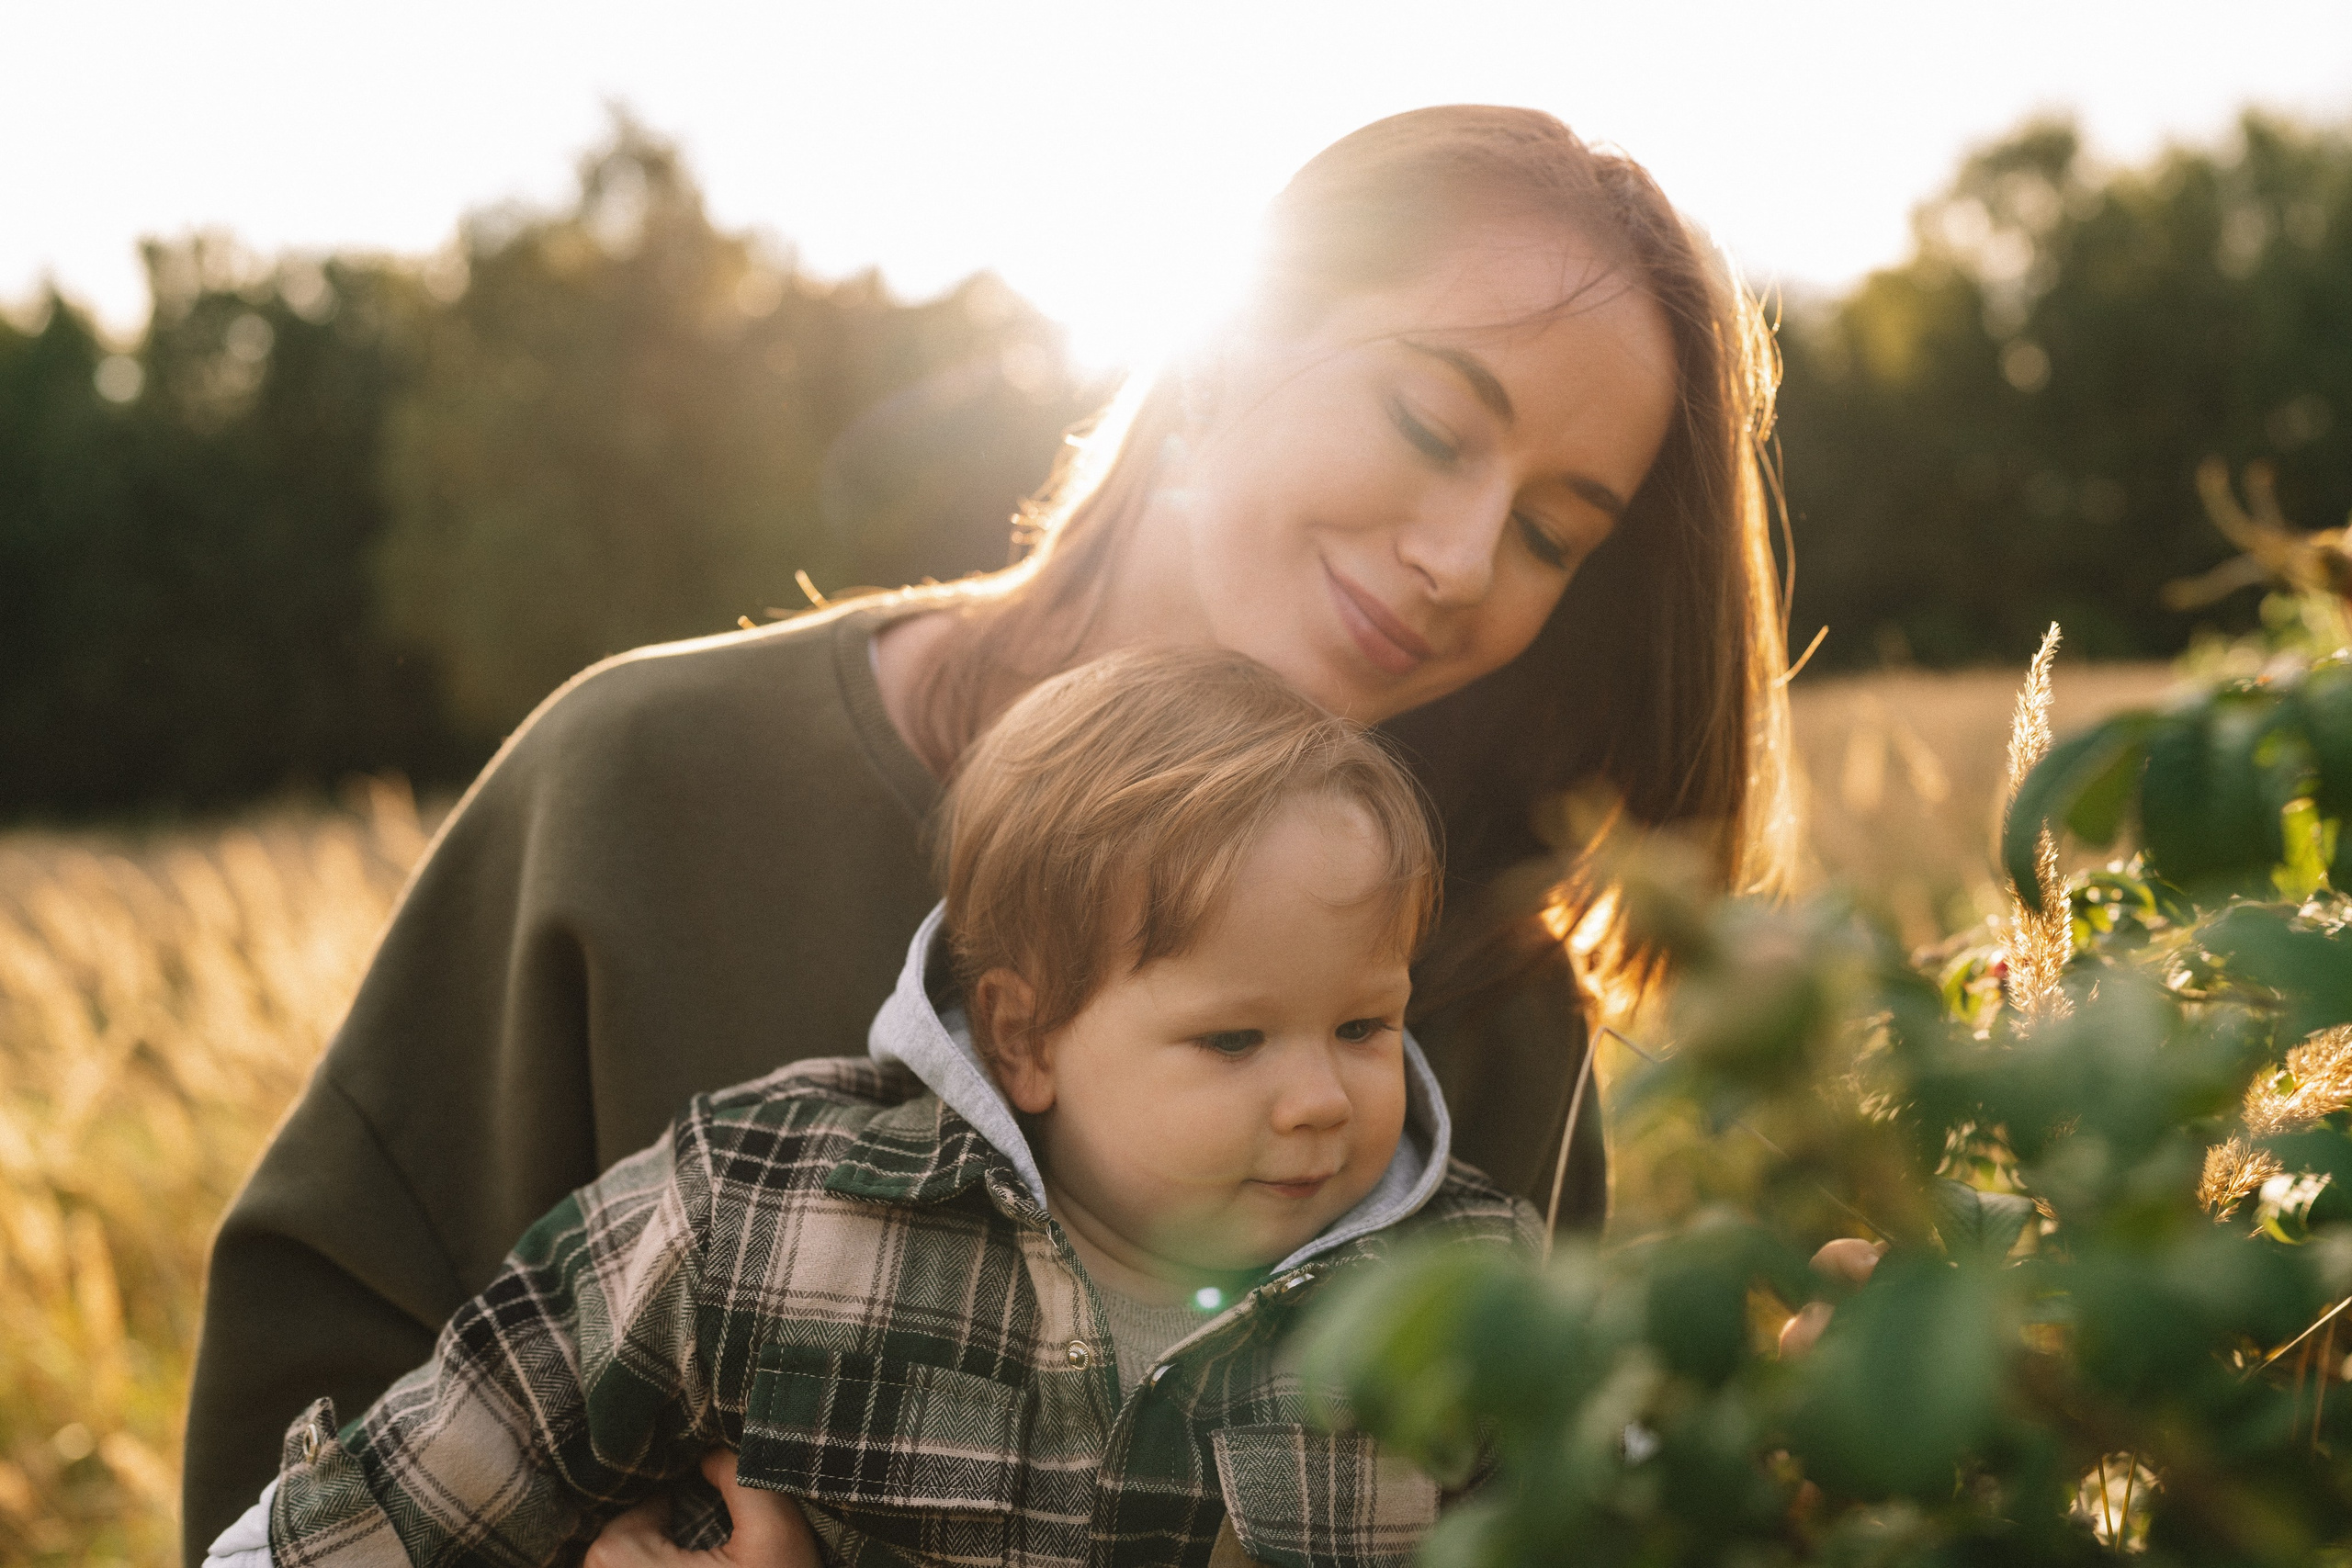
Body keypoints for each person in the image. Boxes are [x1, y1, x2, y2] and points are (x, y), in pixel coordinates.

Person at [182, 103, 1796, 1562]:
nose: (1460, 554)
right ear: (1228, 345)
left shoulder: (1476, 982)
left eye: (1549, 531)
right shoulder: (642, 785)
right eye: (1434, 428)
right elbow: (304, 1443)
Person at [204, 648, 1539, 1568]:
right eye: (1233, 1039)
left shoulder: (1477, 1297)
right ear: (1027, 1037)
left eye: (1365, 1025)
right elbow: (472, 1445)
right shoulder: (770, 1203)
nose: (1318, 1100)